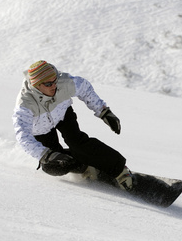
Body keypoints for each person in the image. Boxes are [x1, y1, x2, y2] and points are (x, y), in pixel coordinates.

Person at [13, 60, 133, 190]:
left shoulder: (64, 83)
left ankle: (120, 170)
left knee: (77, 143)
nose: (54, 86)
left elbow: (84, 88)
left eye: (55, 81)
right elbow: (23, 136)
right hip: (40, 128)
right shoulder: (25, 105)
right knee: (53, 165)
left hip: (62, 113)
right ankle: (85, 166)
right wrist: (45, 155)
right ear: (36, 85)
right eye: (48, 84)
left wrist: (103, 111)